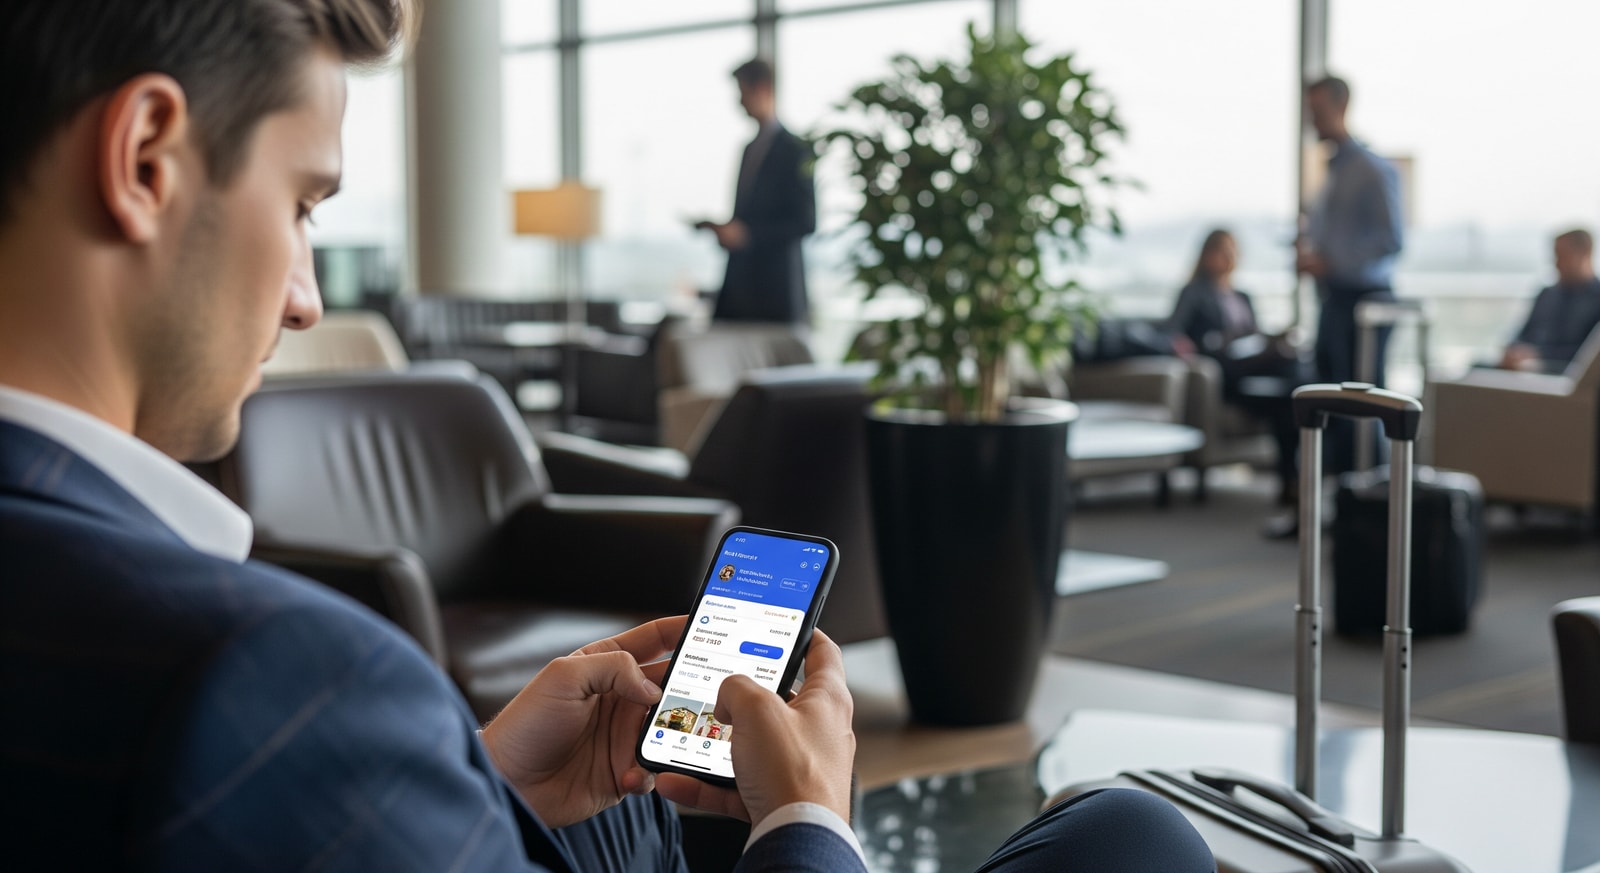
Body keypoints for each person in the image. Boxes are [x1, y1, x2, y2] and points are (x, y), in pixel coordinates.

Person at [0, 2, 1216, 871]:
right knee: (1134, 831)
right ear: (148, 157)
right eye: (306, 203)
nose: (310, 296)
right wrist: (809, 821)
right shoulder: (267, 679)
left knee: (634, 809)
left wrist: (467, 778)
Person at [1297, 74, 1405, 473]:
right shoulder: (1332, 172)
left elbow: (1391, 239)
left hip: (1364, 305)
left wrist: (1333, 262)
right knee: (1329, 405)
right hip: (1333, 301)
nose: (1312, 120)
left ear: (1340, 107)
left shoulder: (1373, 170)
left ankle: (1364, 506)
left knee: (1360, 407)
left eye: (1317, 110)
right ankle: (1332, 506)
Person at [1168, 230, 1305, 510]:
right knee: (1286, 398)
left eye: (1233, 250)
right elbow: (1176, 335)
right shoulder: (1195, 293)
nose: (1230, 257)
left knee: (1291, 387)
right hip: (1227, 375)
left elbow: (1254, 333)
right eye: (1223, 250)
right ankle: (1292, 481)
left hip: (1257, 368)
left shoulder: (1243, 295)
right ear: (1207, 255)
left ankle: (1295, 479)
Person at [699, 59, 816, 325]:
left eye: (742, 92)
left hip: (775, 294)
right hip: (740, 292)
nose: (739, 102)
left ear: (761, 89)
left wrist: (748, 234)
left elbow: (805, 221)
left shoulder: (796, 150)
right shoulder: (748, 150)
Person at [1499, 229, 1600, 374]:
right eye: (1555, 257)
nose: (1557, 264)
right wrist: (1514, 351)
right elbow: (1520, 333)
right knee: (1475, 370)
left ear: (1585, 254)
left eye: (1562, 256)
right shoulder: (1547, 294)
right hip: (1522, 369)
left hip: (1561, 373)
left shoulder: (1596, 298)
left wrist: (1538, 356)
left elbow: (1588, 355)